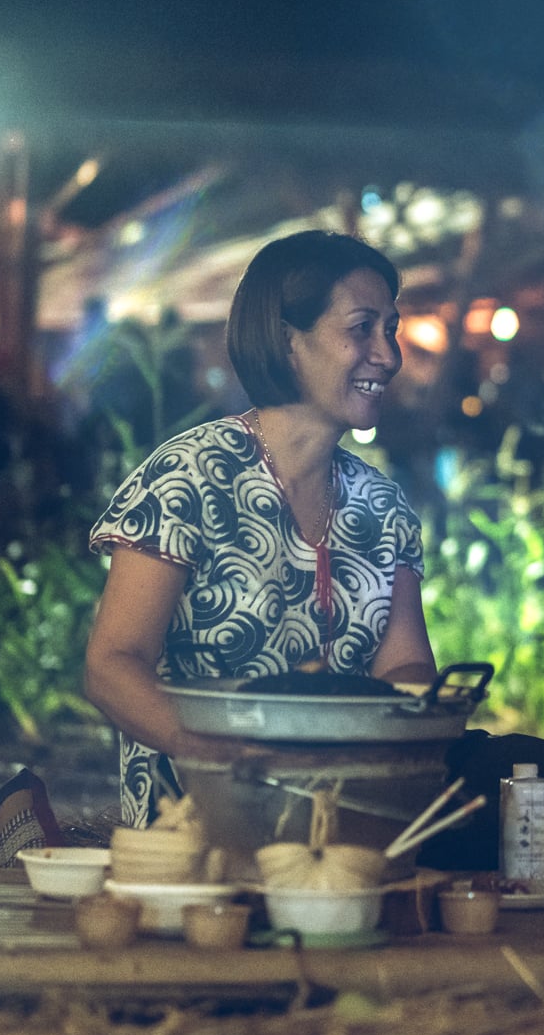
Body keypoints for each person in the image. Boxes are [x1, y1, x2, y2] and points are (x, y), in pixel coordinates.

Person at [84, 231, 438, 826]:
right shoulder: (190, 477)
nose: (388, 354)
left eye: (391, 329)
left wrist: (408, 720)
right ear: (286, 340)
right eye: (362, 328)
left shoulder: (383, 506)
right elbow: (112, 664)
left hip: (342, 827)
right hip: (197, 831)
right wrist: (218, 757)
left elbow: (404, 668)